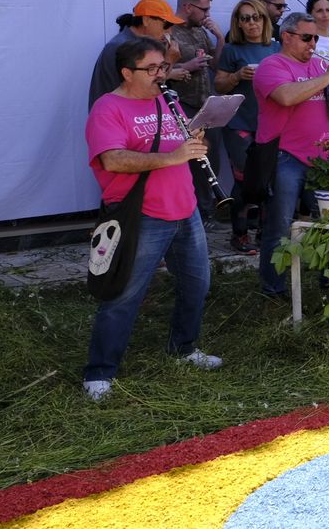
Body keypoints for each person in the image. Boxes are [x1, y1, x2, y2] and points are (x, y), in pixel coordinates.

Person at [82, 37, 220, 402]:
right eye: (153, 69)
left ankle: (184, 348)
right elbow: (113, 159)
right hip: (141, 215)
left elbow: (175, 145)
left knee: (197, 284)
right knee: (123, 295)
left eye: (164, 67)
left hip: (184, 208)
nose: (163, 75)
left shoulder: (165, 99)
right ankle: (99, 373)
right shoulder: (107, 109)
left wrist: (193, 138)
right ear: (128, 72)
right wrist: (174, 157)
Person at [253, 13, 329, 297]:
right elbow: (286, 97)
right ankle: (273, 289)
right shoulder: (271, 65)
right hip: (284, 155)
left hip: (321, 158)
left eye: (316, 39)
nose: (313, 44)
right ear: (286, 36)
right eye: (307, 38)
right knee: (280, 226)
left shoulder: (320, 65)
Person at [213, 0, 278, 254]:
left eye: (256, 17)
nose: (251, 23)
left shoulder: (277, 48)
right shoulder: (232, 50)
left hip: (270, 124)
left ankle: (265, 234)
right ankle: (239, 234)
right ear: (238, 23)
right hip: (239, 123)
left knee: (268, 179)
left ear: (265, 20)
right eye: (245, 18)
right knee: (245, 178)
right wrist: (237, 76)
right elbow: (218, 85)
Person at [165, 0, 224, 226]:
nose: (207, 15)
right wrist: (186, 67)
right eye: (204, 9)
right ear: (187, 7)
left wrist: (220, 38)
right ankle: (193, 215)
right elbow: (158, 72)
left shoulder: (201, 32)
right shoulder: (168, 33)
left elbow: (216, 65)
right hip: (182, 107)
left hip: (205, 105)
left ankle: (207, 209)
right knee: (190, 163)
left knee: (212, 160)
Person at [88, 0, 183, 107]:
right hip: (116, 115)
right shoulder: (123, 46)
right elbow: (151, 87)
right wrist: (169, 61)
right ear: (146, 20)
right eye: (167, 25)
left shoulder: (134, 43)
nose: (169, 31)